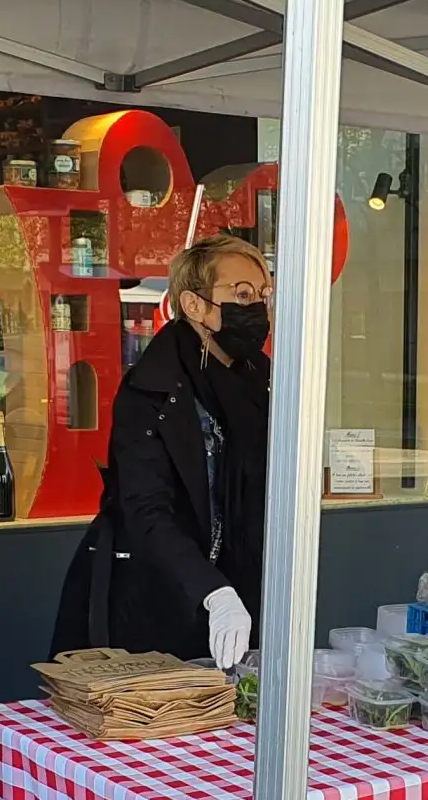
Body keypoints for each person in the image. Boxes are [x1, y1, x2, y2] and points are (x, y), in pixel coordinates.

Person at [52, 234, 272, 667]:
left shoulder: (262, 379)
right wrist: (213, 591)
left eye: (263, 294)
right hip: (159, 596)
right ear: (193, 305)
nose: (256, 307)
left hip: (247, 587)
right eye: (241, 294)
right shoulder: (152, 391)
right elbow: (144, 508)